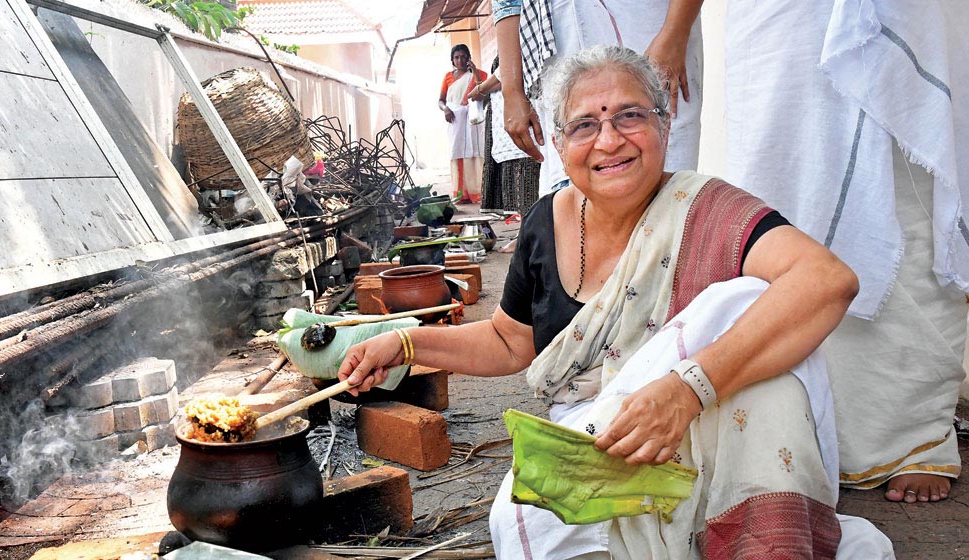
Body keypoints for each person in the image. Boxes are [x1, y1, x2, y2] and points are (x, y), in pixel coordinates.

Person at [340, 45, 892, 557]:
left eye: (630, 115)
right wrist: (407, 342)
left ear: (663, 124)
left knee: (749, 305)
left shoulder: (706, 210)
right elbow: (510, 340)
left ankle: (761, 536)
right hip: (599, 439)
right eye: (585, 125)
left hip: (704, 423)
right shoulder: (544, 223)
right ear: (559, 145)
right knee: (521, 518)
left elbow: (827, 280)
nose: (609, 141)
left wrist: (688, 389)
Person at [725, 0, 967, 504]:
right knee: (783, 201)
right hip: (780, 28)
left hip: (909, 16)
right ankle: (791, 432)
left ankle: (914, 437)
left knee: (910, 208)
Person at [492, 0, 704, 198]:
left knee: (664, 194)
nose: (609, 142)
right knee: (576, 197)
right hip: (558, 39)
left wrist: (675, 32)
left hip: (650, 29)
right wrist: (511, 90)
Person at [472, 56, 541, 216]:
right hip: (507, 129)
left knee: (529, 188)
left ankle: (530, 235)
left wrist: (481, 89)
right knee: (521, 195)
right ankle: (525, 233)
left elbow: (508, 69)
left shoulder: (519, 43)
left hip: (524, 119)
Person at [439, 44, 488, 204]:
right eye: (457, 57)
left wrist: (474, 71)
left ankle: (477, 192)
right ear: (452, 60)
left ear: (469, 58)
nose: (460, 60)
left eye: (463, 56)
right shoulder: (448, 77)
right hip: (455, 121)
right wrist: (446, 109)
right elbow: (440, 100)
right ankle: (461, 193)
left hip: (473, 120)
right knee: (457, 152)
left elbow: (484, 92)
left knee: (475, 153)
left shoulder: (479, 74)